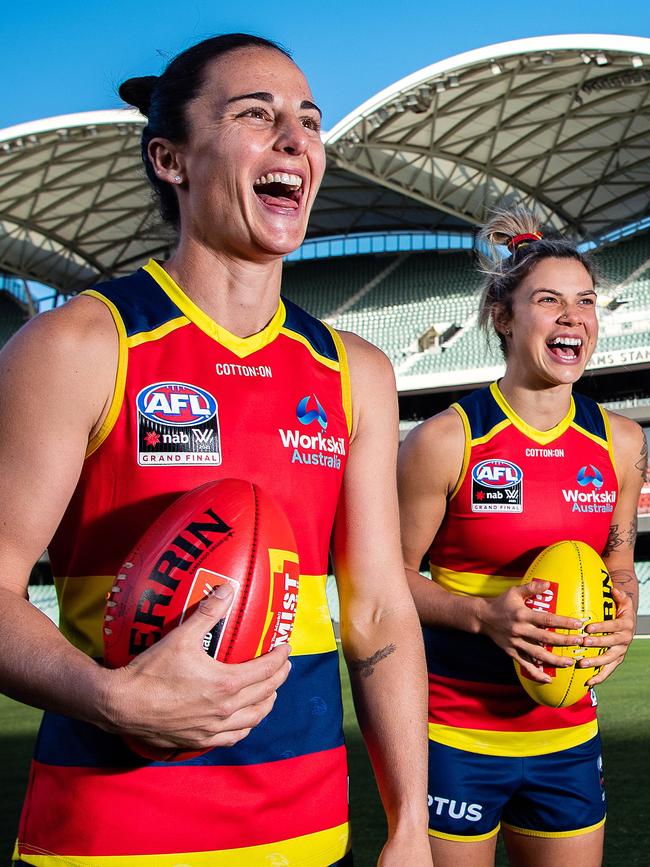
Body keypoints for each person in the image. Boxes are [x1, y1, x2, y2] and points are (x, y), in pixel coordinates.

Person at [1, 34, 431, 866]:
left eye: (308, 122)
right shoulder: (80, 345)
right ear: (171, 158)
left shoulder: (355, 373)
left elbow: (378, 609)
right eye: (256, 116)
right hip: (110, 838)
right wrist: (112, 698)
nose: (295, 140)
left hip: (309, 837)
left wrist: (409, 818)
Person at [397, 207, 644, 867]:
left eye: (586, 301)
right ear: (504, 318)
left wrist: (624, 609)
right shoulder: (446, 440)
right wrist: (483, 616)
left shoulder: (622, 442)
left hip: (569, 734)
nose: (574, 317)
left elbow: (619, 558)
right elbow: (384, 577)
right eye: (550, 301)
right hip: (453, 735)